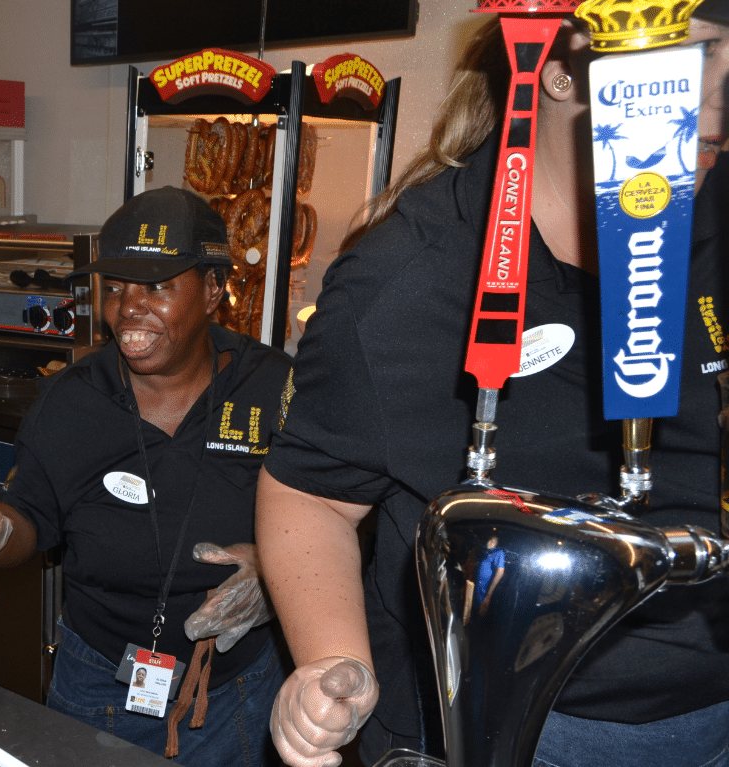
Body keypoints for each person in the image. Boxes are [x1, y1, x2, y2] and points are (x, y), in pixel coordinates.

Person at [259, 6, 729, 767]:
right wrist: (330, 662)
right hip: (517, 726)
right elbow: (308, 492)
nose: (721, 96)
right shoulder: (408, 281)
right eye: (701, 54)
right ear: (559, 67)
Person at [0, 186, 293, 766]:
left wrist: (278, 569)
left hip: (233, 692)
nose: (128, 308)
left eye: (157, 286)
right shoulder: (74, 399)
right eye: (117, 287)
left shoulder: (275, 388)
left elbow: (341, 514)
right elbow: (32, 511)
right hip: (99, 681)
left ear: (215, 289)